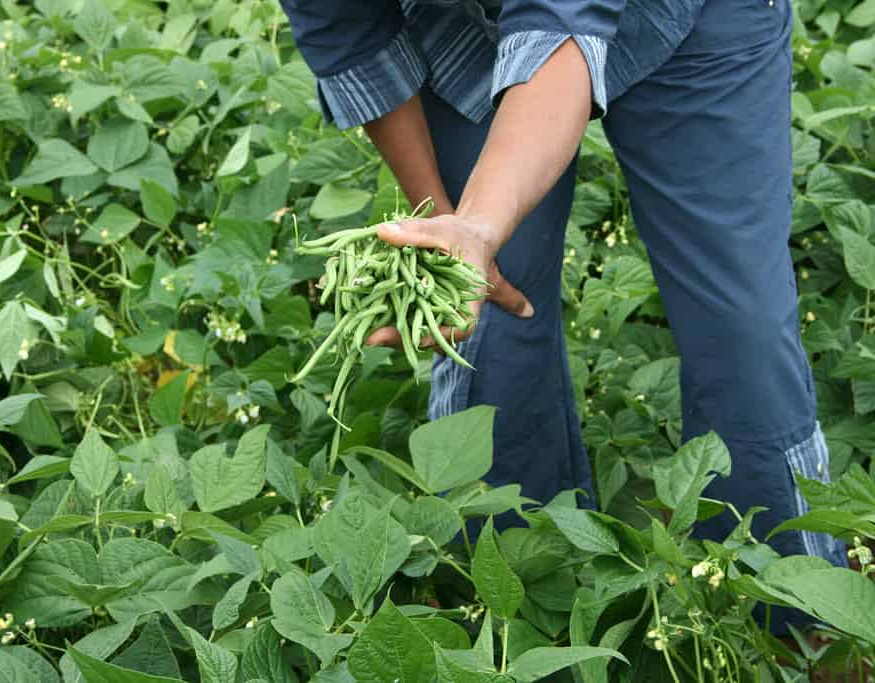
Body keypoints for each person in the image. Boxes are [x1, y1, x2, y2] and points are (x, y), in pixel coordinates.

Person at [277, 0, 846, 630]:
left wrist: (483, 220)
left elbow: (561, 21)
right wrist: (449, 231)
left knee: (741, 330)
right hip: (468, 29)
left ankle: (794, 626)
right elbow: (347, 26)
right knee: (487, 330)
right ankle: (514, 624)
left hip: (693, 21)